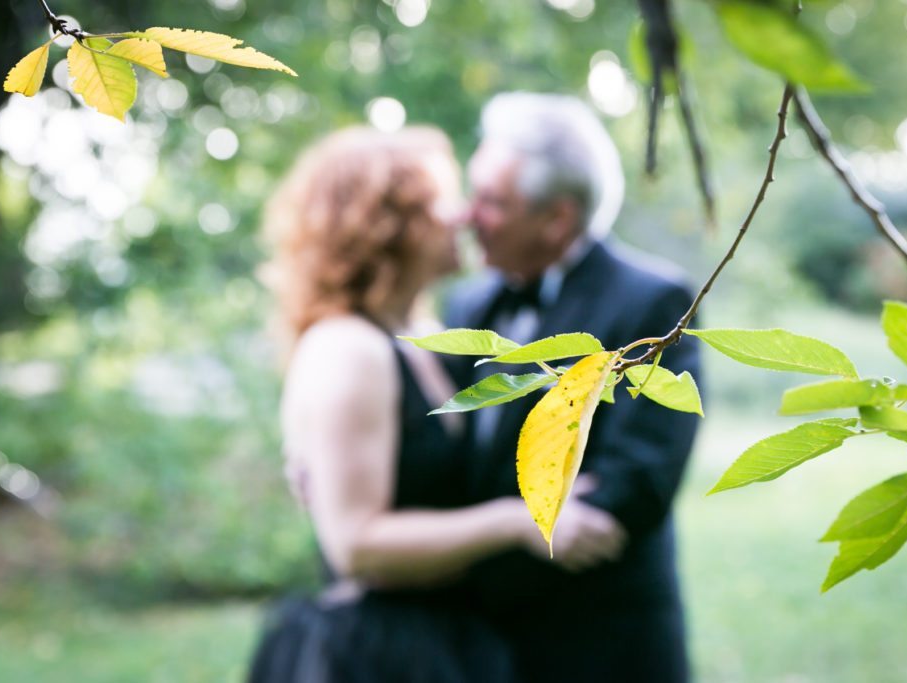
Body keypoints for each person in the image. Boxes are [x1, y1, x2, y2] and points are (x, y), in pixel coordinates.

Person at [247, 125, 626, 683]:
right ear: (385, 226)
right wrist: (516, 521)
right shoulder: (347, 348)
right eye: (441, 203)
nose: (464, 216)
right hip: (378, 653)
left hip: (448, 636)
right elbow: (354, 545)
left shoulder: (424, 334)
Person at [444, 93, 702, 682]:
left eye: (490, 201)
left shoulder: (652, 301)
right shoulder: (466, 301)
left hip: (601, 642)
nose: (466, 216)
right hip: (479, 644)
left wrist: (472, 548)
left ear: (556, 218)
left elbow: (632, 485)